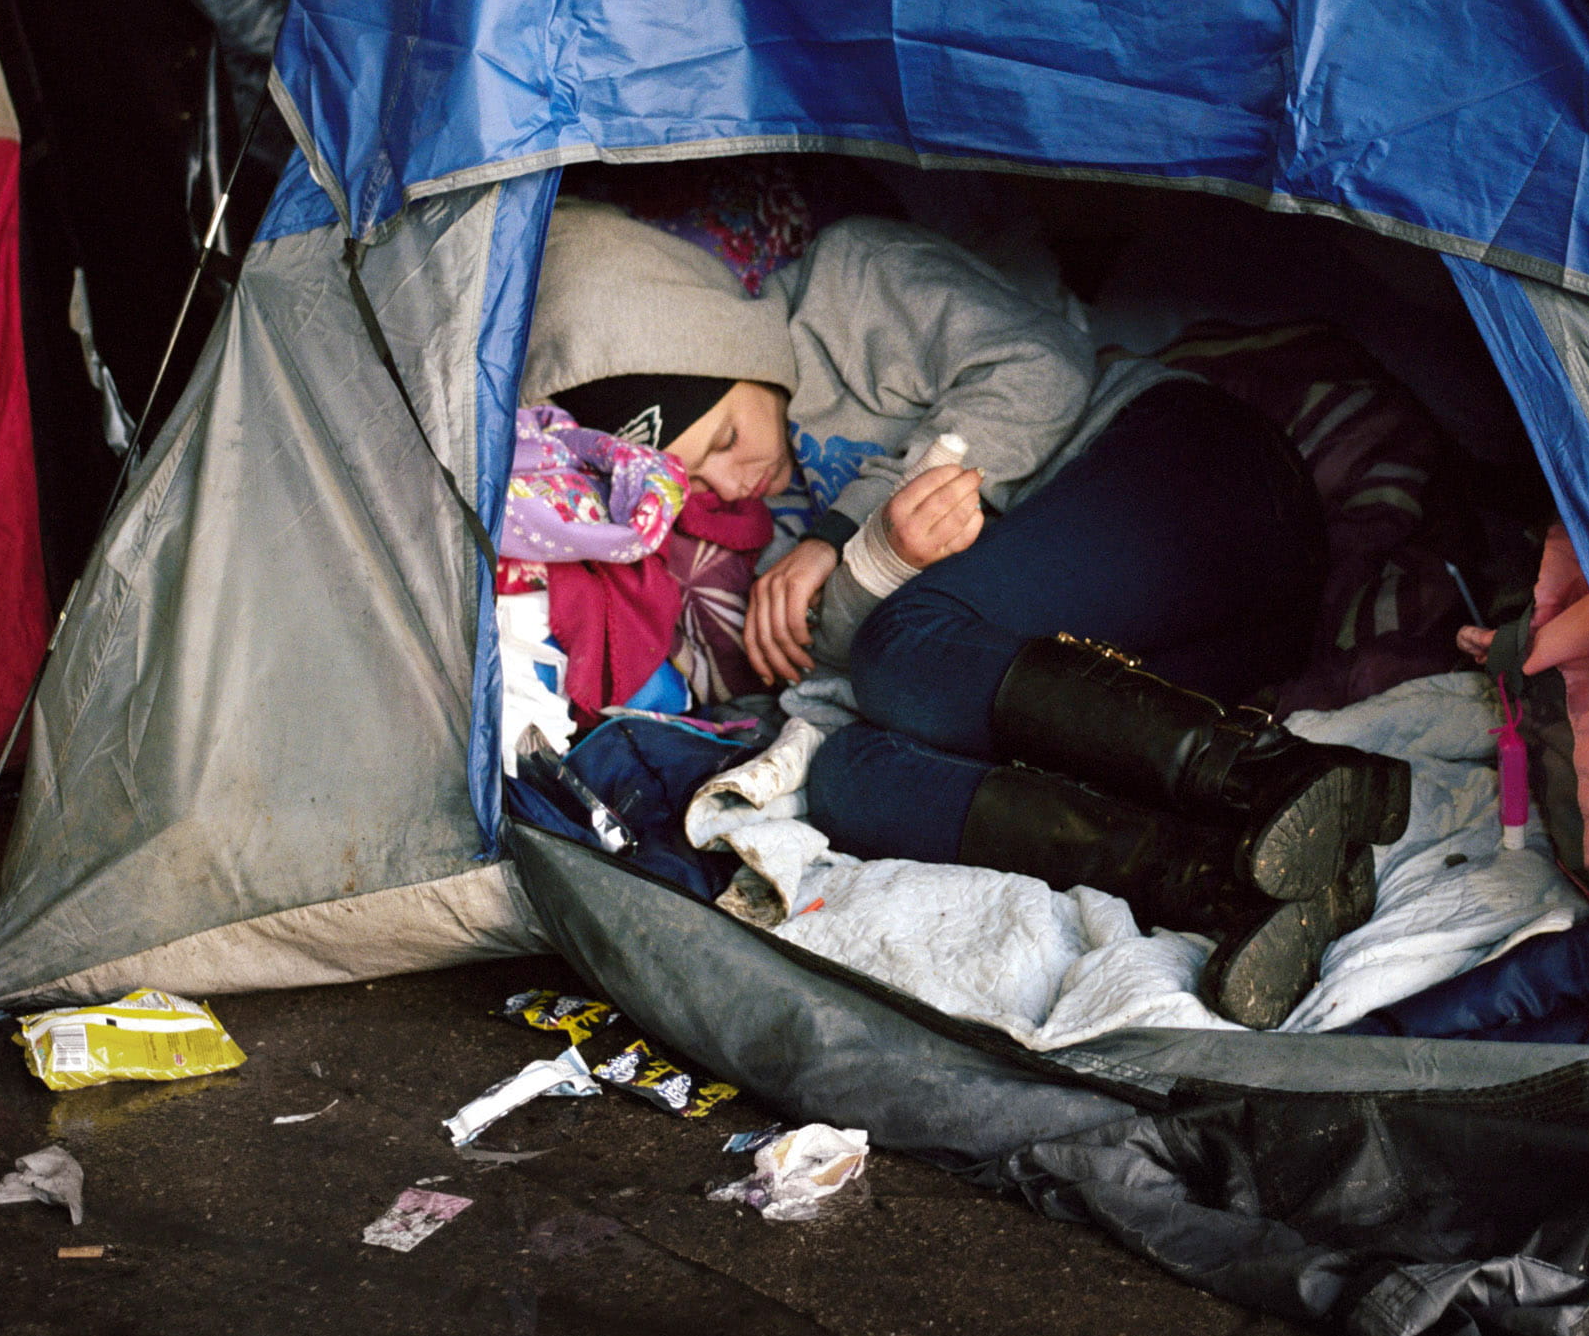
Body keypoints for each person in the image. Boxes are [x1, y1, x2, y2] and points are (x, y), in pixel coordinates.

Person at [523, 199, 1405, 1023]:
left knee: (901, 653)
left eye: (721, 438)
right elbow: (854, 656)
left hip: (1201, 492)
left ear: (730, 347)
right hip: (1171, 670)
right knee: (849, 773)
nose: (726, 481)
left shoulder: (847, 284)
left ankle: (1278, 774)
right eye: (692, 478)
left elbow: (1041, 368)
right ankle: (1231, 881)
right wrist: (876, 558)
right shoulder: (756, 526)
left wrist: (846, 533)